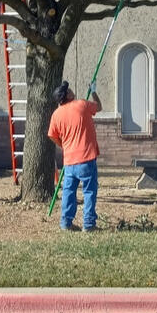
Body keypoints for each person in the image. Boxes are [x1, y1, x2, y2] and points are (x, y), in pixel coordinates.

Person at [48, 79, 102, 232]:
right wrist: (93, 91)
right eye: (69, 90)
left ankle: (66, 223)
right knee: (89, 191)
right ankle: (89, 224)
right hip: (86, 158)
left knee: (68, 192)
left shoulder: (56, 114)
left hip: (70, 160)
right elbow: (99, 107)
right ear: (67, 95)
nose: (71, 90)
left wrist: (63, 145)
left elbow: (52, 135)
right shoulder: (82, 104)